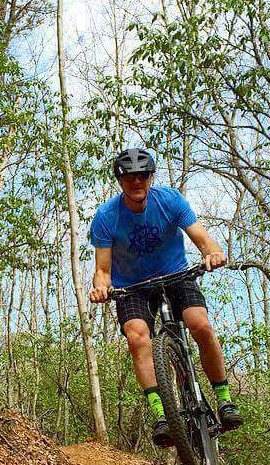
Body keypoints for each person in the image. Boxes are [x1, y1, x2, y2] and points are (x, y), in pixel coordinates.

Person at [88, 148, 244, 447]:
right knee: (137, 337)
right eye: (129, 177)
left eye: (143, 176)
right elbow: (103, 269)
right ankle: (162, 415)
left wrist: (211, 252)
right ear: (120, 180)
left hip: (176, 275)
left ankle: (224, 399)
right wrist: (100, 287)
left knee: (200, 325)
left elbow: (201, 236)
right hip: (132, 286)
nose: (137, 183)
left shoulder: (170, 200)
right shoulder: (106, 217)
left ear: (151, 176)